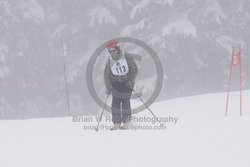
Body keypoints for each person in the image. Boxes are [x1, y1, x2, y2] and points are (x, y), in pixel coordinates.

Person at [104, 40, 138, 130]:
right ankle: (116, 123)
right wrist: (108, 87)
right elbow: (106, 75)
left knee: (125, 101)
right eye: (109, 50)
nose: (112, 52)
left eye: (113, 49)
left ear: (117, 48)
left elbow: (134, 69)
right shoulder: (110, 60)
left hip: (127, 82)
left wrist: (131, 81)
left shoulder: (126, 56)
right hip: (116, 83)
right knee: (115, 103)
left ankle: (127, 122)